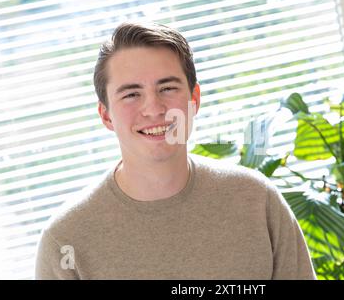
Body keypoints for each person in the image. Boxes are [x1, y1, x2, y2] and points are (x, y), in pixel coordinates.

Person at [34, 22, 316, 280]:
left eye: (167, 88)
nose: (154, 109)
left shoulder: (257, 201)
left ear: (194, 99)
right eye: (131, 94)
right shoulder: (65, 239)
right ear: (106, 115)